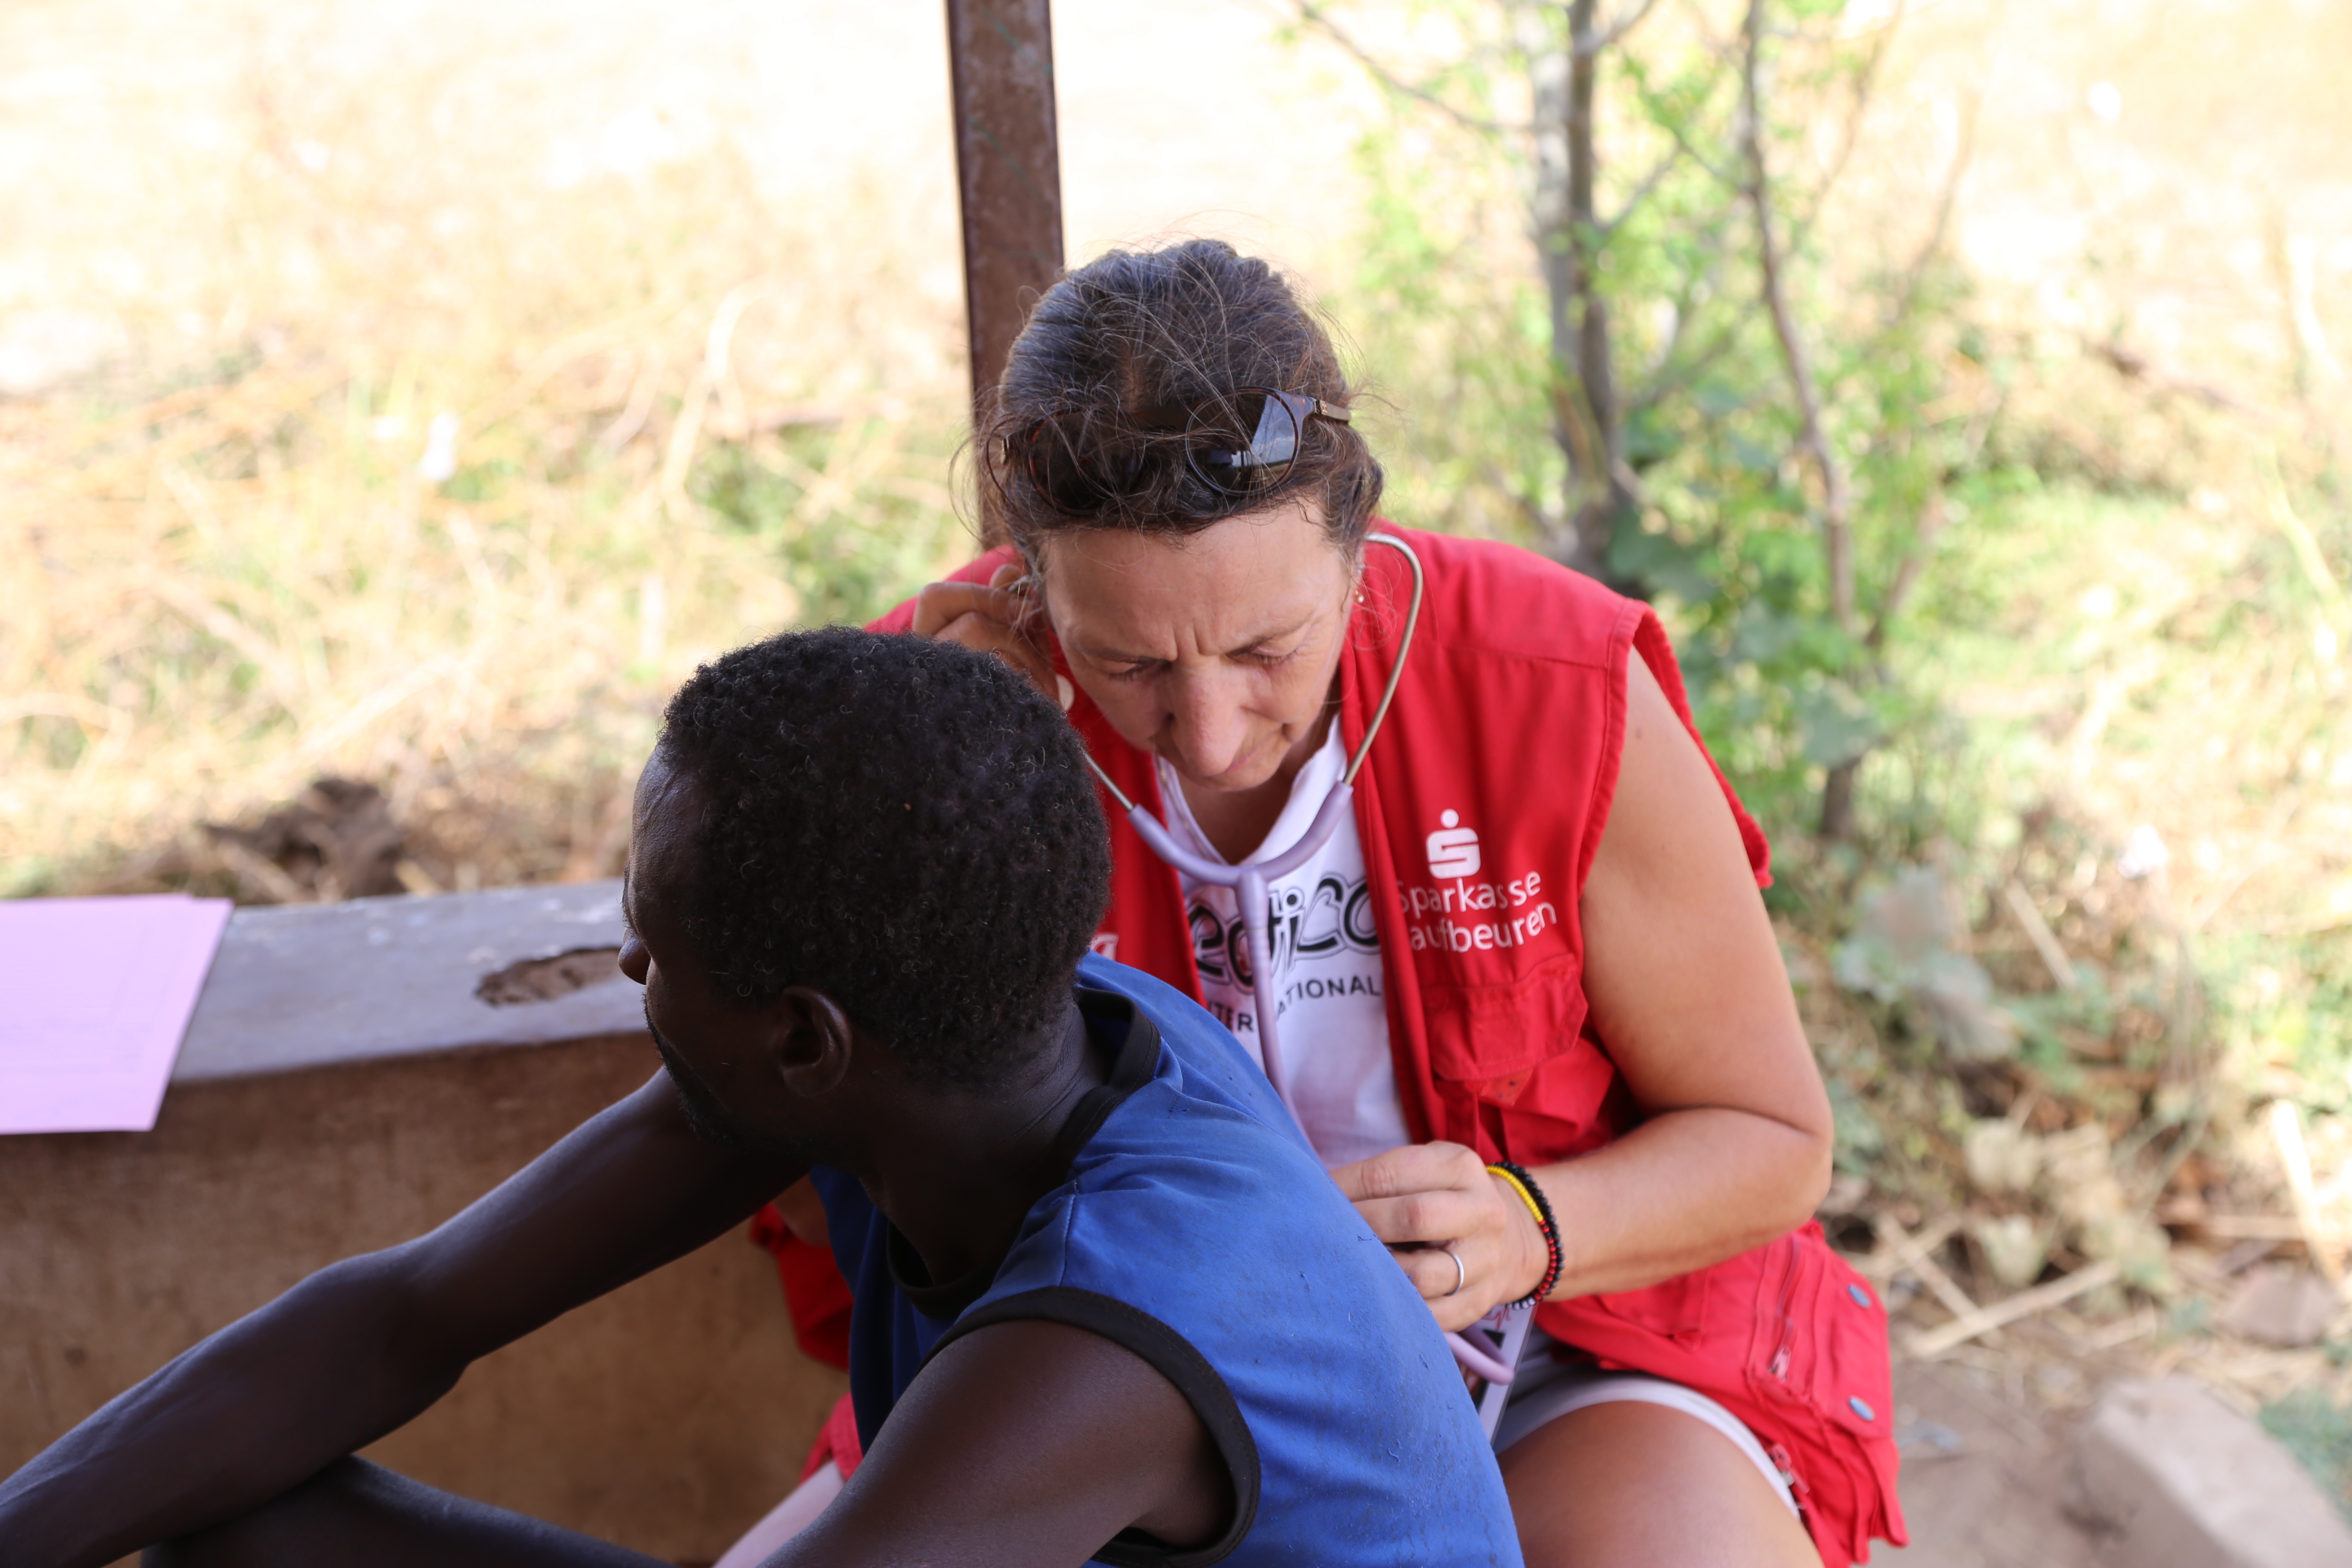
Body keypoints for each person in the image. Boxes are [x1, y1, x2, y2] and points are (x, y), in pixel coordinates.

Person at [757, 240, 1905, 1567]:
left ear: (1361, 548)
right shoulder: (946, 697)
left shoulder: (1551, 678)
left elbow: (1770, 1135)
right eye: (1126, 660)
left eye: (1267, 649)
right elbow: (804, 1116)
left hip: (1550, 1360)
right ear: (1028, 581)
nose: (1210, 730)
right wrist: (958, 789)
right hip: (1128, 1380)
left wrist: (1530, 1228)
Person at [0, 629, 1523, 1568]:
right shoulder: (996, 1033)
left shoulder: (1107, 1334)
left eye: (656, 947)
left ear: (806, 1036)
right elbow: (405, 1315)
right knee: (253, 1535)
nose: (631, 959)